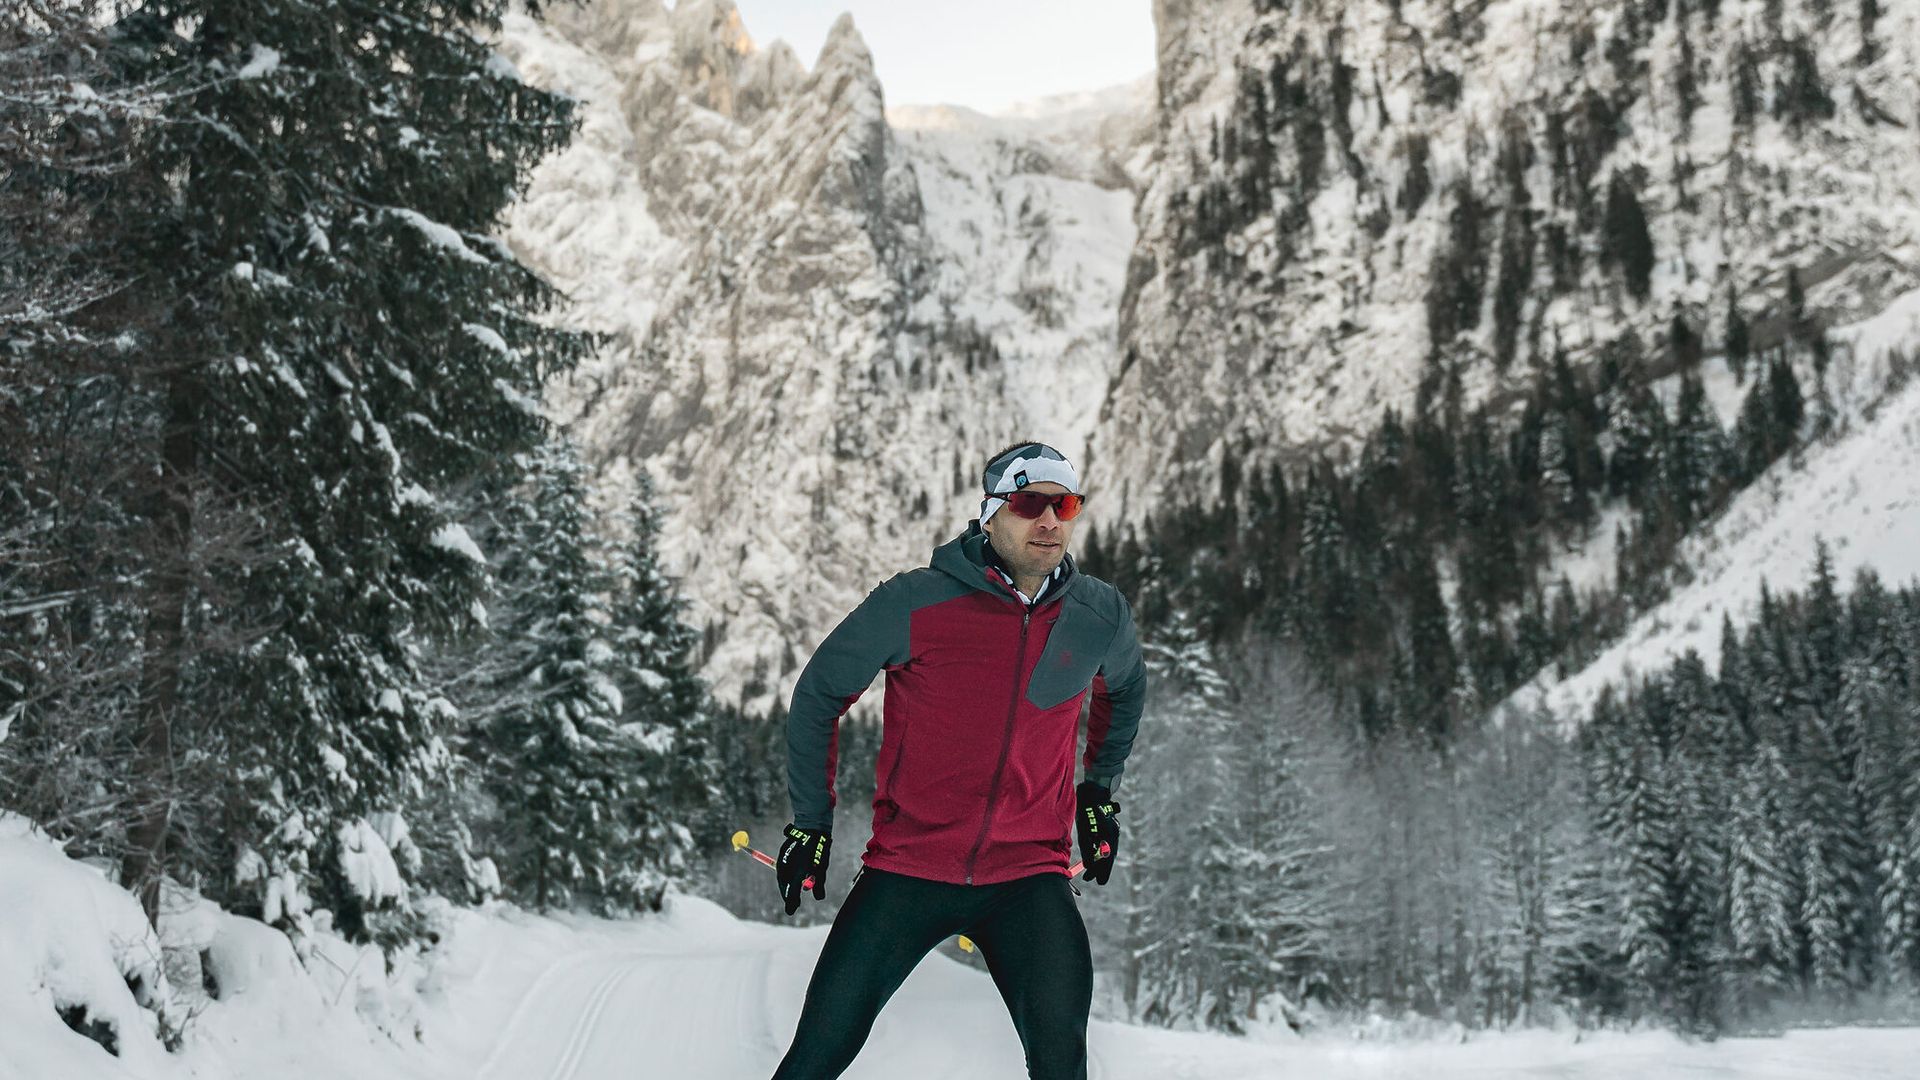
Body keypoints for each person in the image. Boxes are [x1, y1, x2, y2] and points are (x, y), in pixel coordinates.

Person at [769, 441, 1147, 1080]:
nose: (1050, 521)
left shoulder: (1097, 614)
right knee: (813, 1060)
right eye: (1030, 505)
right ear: (991, 513)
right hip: (909, 869)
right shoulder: (916, 601)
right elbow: (819, 694)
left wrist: (1098, 790)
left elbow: (1127, 688)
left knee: (1064, 1065)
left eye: (1066, 504)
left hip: (1028, 877)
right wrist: (811, 820)